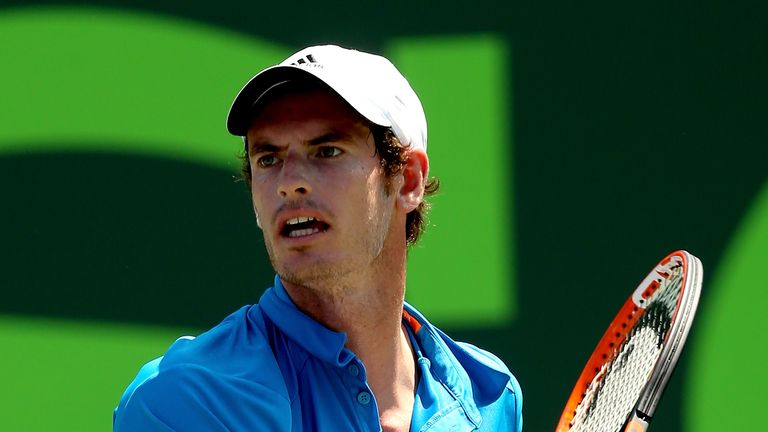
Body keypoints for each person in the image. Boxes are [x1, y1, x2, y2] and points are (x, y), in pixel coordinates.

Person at [113, 44, 522, 432]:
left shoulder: (489, 395)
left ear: (408, 180)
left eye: (327, 151)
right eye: (268, 159)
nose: (289, 182)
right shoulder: (184, 398)